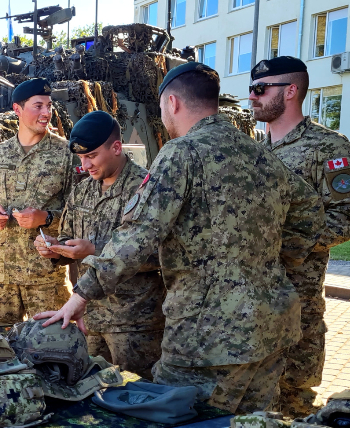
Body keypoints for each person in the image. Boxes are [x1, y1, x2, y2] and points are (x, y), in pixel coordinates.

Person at [37, 62, 324, 414]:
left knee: (179, 417)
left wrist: (78, 299)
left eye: (161, 110)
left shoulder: (181, 153)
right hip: (273, 329)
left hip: (206, 337)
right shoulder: (261, 155)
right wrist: (274, 260)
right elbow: (310, 215)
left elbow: (137, 234)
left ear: (172, 103)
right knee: (252, 422)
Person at [249, 56, 350, 416]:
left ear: (290, 91)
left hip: (296, 302)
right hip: (249, 302)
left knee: (293, 400)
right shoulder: (253, 151)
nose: (251, 97)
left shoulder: (328, 148)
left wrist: (288, 243)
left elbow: (349, 218)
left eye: (259, 89)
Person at [34, 111, 165, 380]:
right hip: (89, 319)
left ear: (116, 147)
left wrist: (93, 249)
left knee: (136, 399)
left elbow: (160, 253)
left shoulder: (146, 188)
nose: (85, 165)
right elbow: (69, 236)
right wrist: (54, 248)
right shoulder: (82, 190)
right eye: (81, 158)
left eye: (91, 156)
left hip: (134, 325)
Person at [0, 78, 81, 323]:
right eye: (38, 106)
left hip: (45, 276)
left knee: (52, 350)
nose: (46, 113)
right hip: (0, 275)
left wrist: (47, 218)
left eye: (49, 106)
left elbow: (81, 213)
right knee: (0, 349)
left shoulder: (65, 153)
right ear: (17, 110)